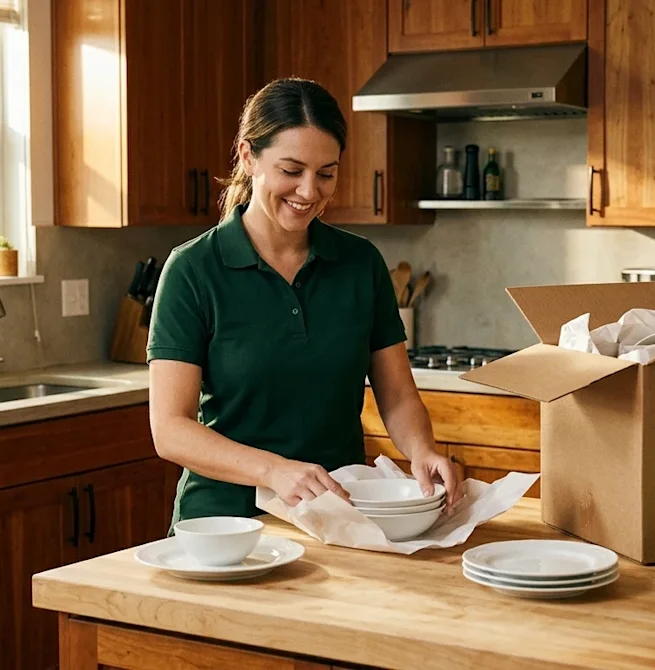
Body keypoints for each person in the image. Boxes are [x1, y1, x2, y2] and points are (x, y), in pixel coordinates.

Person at [146, 78, 462, 529]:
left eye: (326, 174)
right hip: (224, 527)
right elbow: (170, 430)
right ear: (248, 156)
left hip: (339, 518)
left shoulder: (360, 264)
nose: (309, 191)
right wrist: (274, 472)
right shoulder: (193, 270)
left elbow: (397, 397)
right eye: (291, 170)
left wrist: (422, 450)